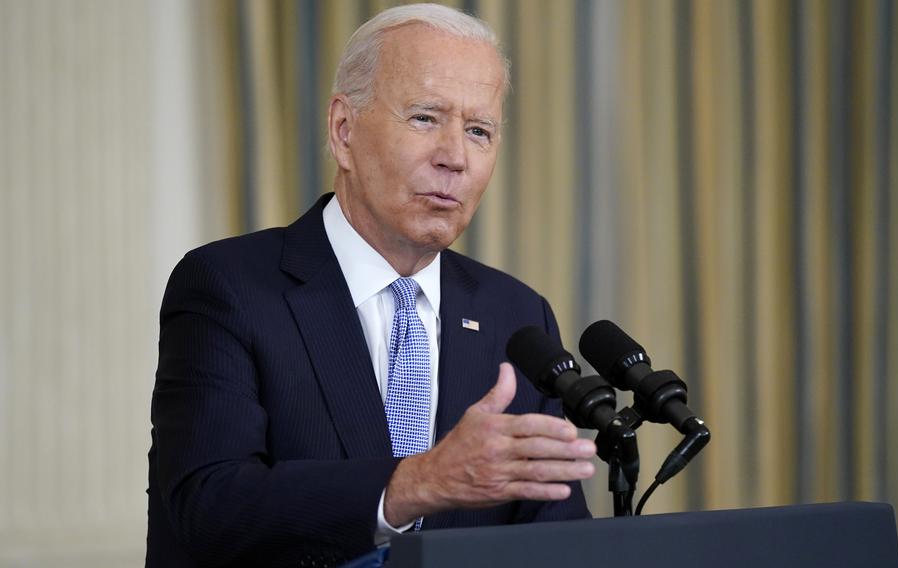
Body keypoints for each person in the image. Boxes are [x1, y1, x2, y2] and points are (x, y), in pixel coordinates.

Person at [146, 4, 596, 567]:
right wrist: (414, 484)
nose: (454, 157)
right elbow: (208, 505)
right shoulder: (230, 288)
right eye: (425, 118)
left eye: (478, 131)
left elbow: (555, 539)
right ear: (344, 131)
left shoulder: (516, 316)